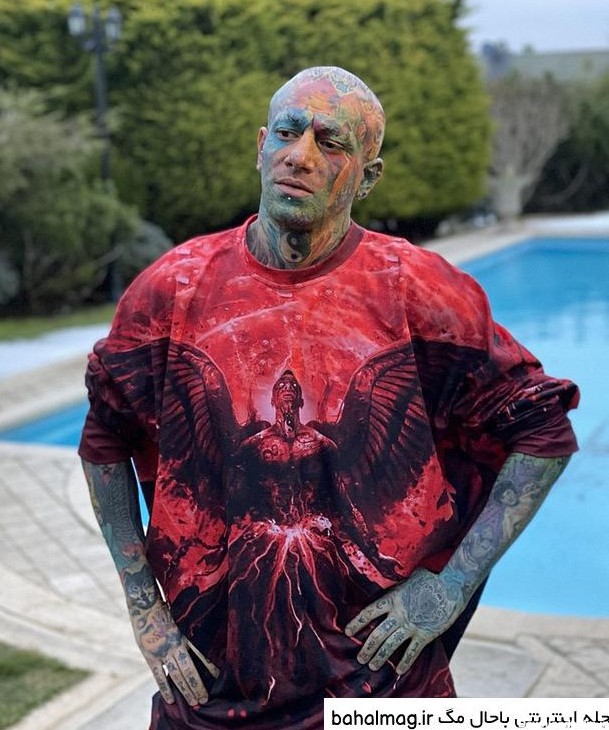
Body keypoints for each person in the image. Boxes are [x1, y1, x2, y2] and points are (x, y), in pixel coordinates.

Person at [79, 66, 579, 728]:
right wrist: (144, 609)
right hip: (212, 691)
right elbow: (105, 439)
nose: (301, 156)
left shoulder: (419, 291)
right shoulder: (172, 290)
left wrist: (451, 587)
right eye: (287, 133)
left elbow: (541, 432)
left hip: (381, 691)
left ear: (367, 177)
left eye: (331, 142)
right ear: (261, 145)